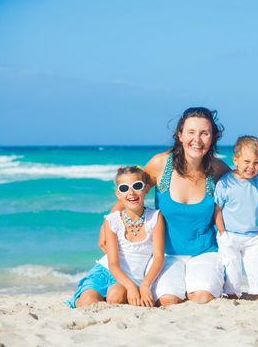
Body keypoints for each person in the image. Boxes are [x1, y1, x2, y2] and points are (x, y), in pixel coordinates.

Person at [98, 107, 230, 305]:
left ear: (213, 137)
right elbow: (131, 193)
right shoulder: (161, 164)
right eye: (191, 132)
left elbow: (244, 189)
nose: (197, 139)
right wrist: (107, 227)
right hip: (166, 256)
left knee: (202, 298)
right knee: (168, 301)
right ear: (180, 135)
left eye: (204, 133)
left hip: (205, 252)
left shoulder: (217, 169)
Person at [67, 166, 165, 308]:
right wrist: (131, 288)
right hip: (106, 271)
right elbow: (113, 264)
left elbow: (158, 257)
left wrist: (144, 285)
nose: (131, 192)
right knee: (88, 301)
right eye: (124, 188)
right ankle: (78, 300)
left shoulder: (155, 218)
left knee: (115, 296)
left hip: (133, 278)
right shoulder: (112, 221)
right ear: (118, 194)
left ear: (146, 189)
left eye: (137, 186)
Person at [213, 136, 258, 298]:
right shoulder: (225, 183)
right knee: (232, 270)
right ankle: (232, 294)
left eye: (256, 163)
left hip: (253, 237)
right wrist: (222, 233)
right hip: (230, 236)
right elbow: (217, 210)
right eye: (246, 161)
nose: (251, 167)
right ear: (236, 160)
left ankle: (257, 293)